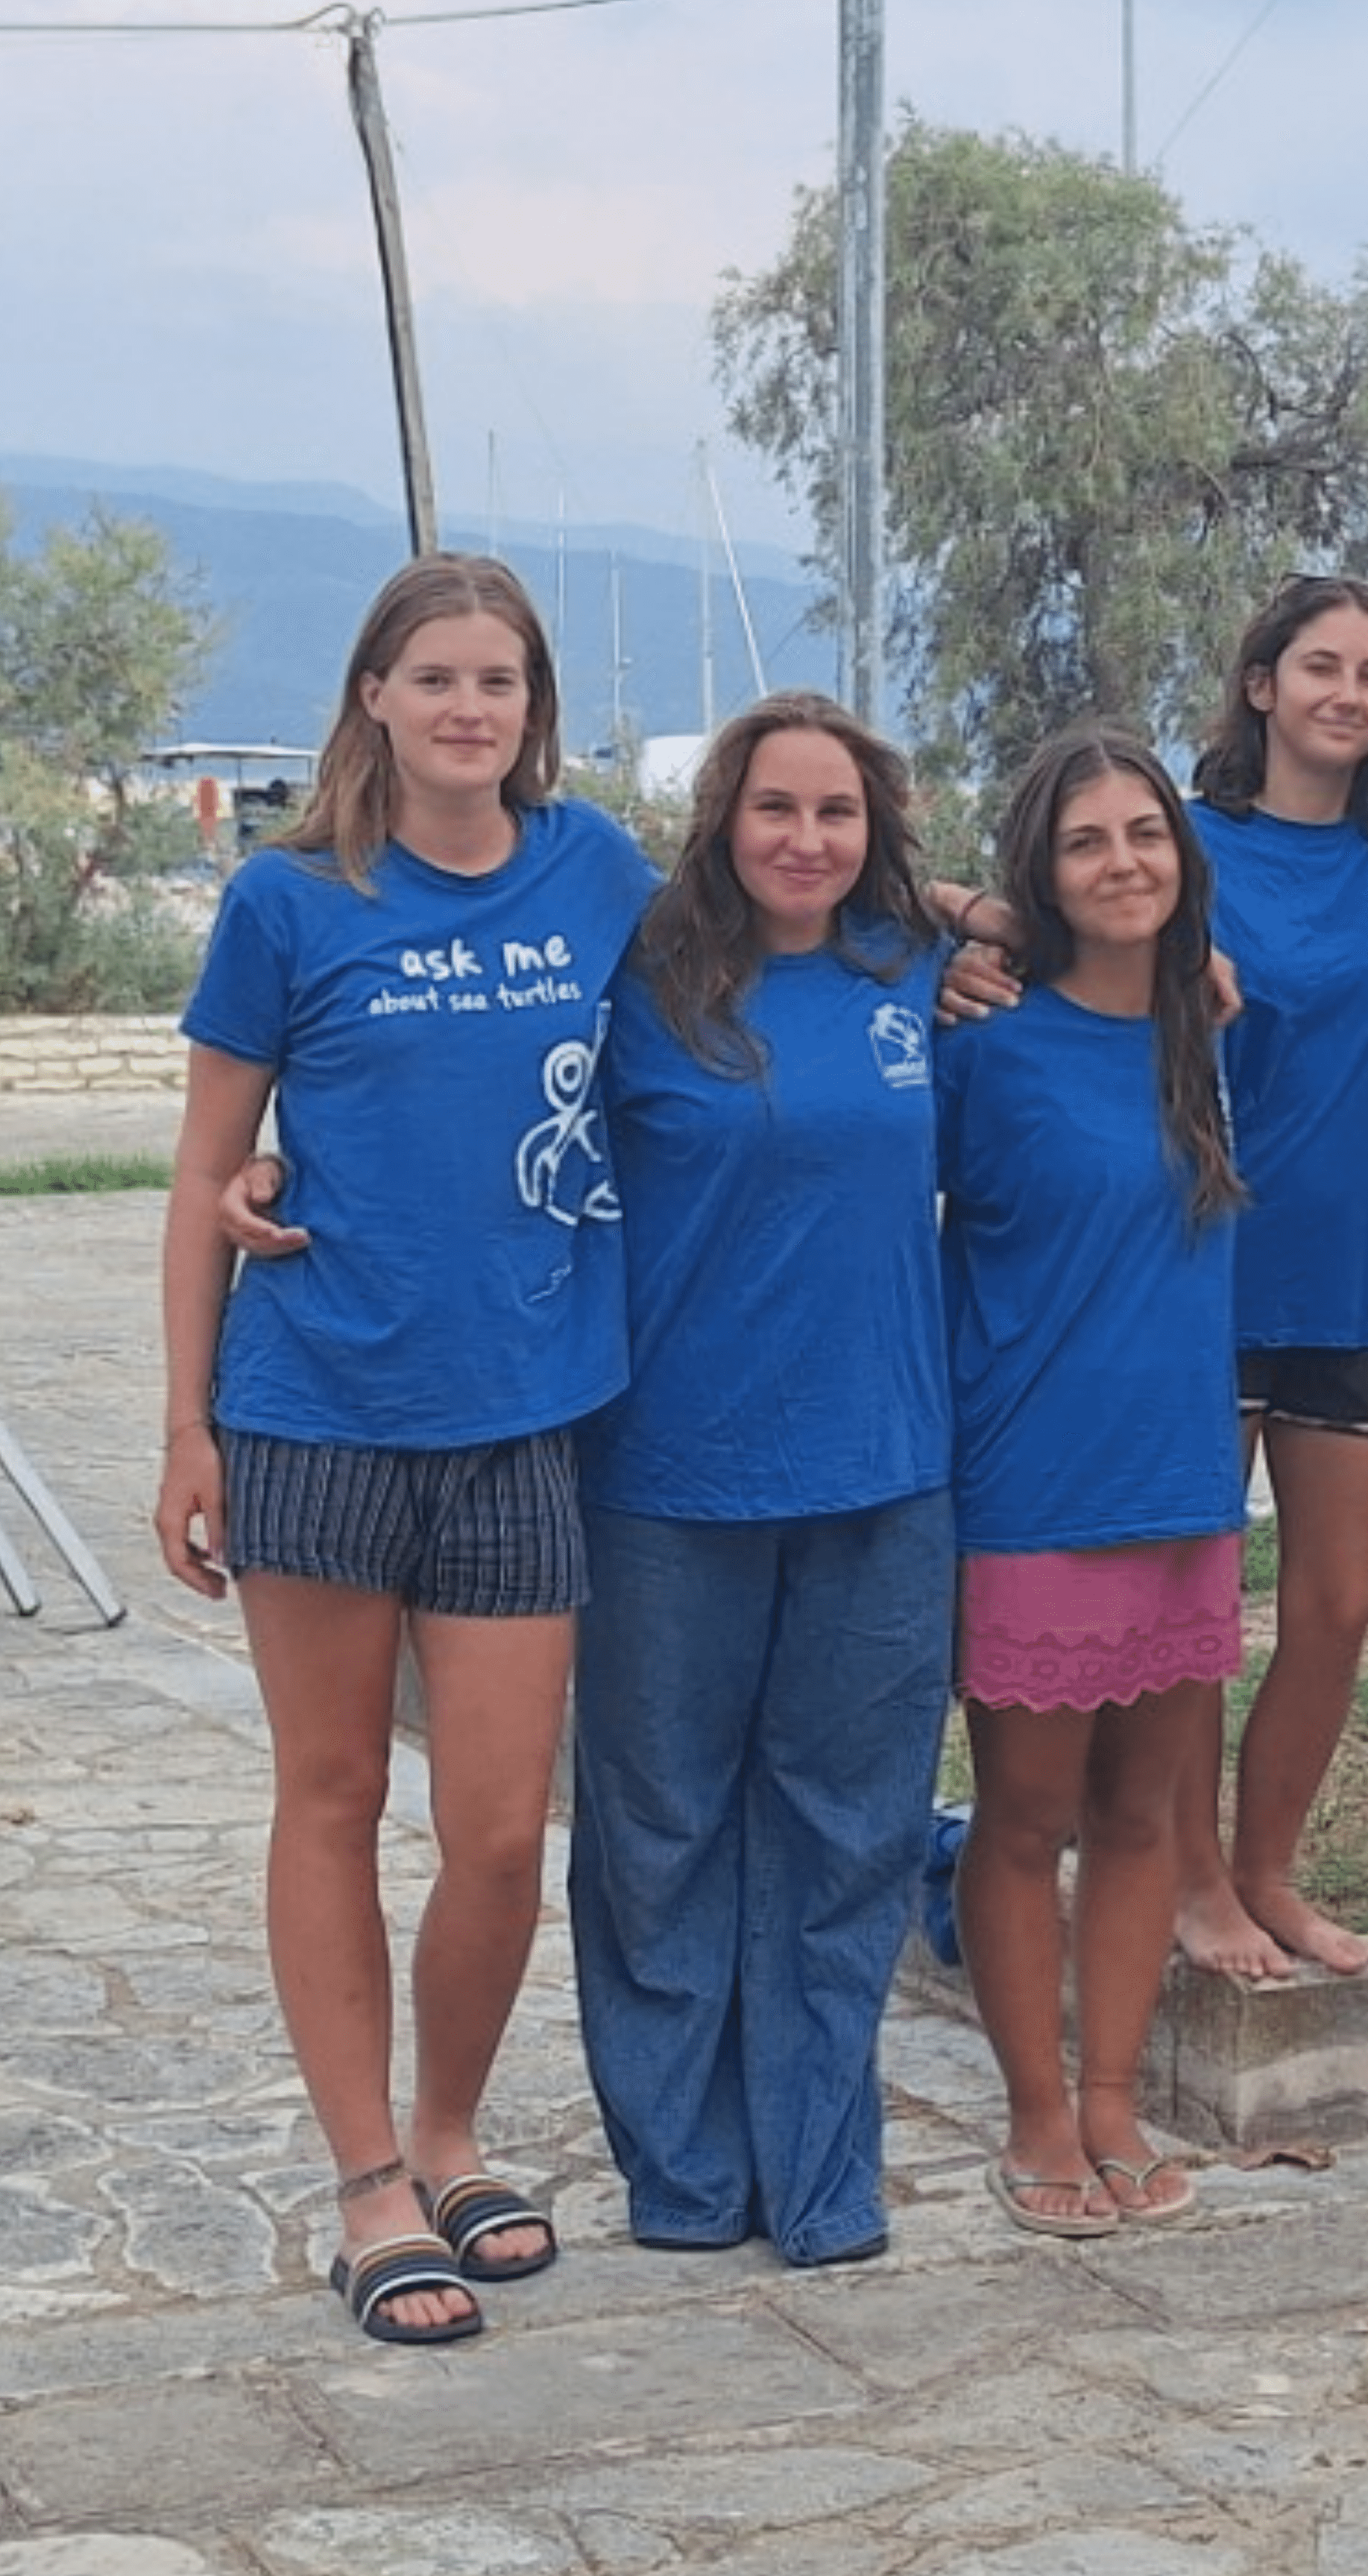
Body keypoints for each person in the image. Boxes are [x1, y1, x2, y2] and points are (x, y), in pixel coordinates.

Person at [154, 552, 656, 2345]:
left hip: (523, 1423)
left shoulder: (595, 871)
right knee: (333, 1795)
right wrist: (185, 1425)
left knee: (506, 1829)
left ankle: (451, 2130)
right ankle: (369, 2173)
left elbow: (781, 932)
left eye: (499, 683)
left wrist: (988, 945)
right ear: (373, 697)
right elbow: (211, 1178)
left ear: (533, 712)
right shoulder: (288, 904)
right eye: (434, 678)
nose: (468, 709)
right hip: (316, 1414)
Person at [564, 693, 957, 2270]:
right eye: (778, 808)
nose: (807, 840)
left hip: (882, 1469)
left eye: (839, 814)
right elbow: (483, 1122)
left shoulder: (928, 975)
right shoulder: (638, 984)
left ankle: (822, 2173)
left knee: (848, 1833)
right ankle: (683, 2174)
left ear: (877, 835)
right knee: (657, 1833)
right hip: (666, 1473)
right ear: (725, 818)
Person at [939, 724, 1249, 2238]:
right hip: (1030, 1486)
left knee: (1146, 1818)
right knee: (1023, 1818)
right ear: (1038, 878)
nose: (1121, 862)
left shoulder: (1206, 1029)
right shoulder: (980, 1040)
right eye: (1084, 842)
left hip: (1186, 1484)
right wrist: (952, 925)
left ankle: (1116, 2100)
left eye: (1144, 833)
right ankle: (1038, 2115)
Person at [1175, 572, 1368, 1985]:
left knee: (1335, 1608)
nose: (1350, 694)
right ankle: (1192, 1880)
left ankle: (1270, 1867)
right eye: (1322, 667)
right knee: (1191, 1611)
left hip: (1365, 1275)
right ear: (1263, 684)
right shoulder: (1185, 846)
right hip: (1203, 1278)